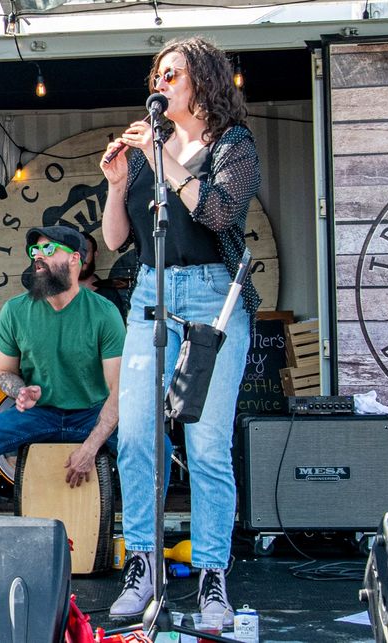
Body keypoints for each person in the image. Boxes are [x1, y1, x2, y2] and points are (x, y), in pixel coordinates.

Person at [100, 37, 261, 623]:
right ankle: (143, 565)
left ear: (203, 84)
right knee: (139, 438)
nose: (161, 84)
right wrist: (118, 182)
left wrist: (164, 155)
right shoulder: (145, 152)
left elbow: (218, 214)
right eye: (158, 74)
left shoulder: (232, 145)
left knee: (207, 444)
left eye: (174, 75)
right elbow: (117, 241)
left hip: (215, 294)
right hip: (150, 291)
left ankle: (213, 577)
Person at [0, 226, 139, 514]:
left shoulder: (104, 312)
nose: (38, 256)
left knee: (156, 448)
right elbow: (4, 372)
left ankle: (139, 540)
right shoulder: (14, 310)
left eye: (49, 250)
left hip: (91, 413)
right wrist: (20, 390)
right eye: (34, 251)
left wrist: (90, 448)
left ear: (75, 259)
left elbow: (119, 390)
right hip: (40, 413)